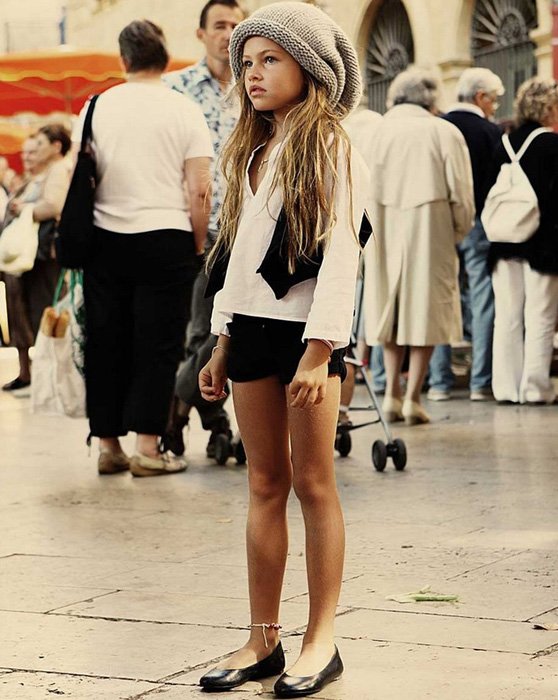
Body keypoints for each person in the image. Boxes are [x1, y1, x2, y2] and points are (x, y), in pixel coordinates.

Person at [197, 2, 368, 696]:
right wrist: (221, 341)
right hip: (250, 332)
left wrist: (320, 351)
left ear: (311, 67)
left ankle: (319, 640)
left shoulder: (332, 146)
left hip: (306, 338)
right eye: (246, 62)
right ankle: (261, 638)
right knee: (263, 483)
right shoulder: (253, 150)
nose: (253, 73)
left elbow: (343, 256)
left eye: (270, 59)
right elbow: (235, 257)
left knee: (314, 484)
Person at [76, 20, 212, 476]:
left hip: (105, 241)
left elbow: (81, 177)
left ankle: (108, 446)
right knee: (158, 345)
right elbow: (200, 189)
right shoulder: (184, 109)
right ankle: (148, 449)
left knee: (105, 342)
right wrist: (196, 244)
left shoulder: (95, 107)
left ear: (124, 59)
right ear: (164, 57)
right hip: (167, 239)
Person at [363, 68, 474, 425]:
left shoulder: (376, 131)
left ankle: (391, 393)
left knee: (390, 307)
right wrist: (459, 230)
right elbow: (461, 192)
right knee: (426, 308)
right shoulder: (444, 131)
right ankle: (413, 398)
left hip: (381, 225)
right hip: (431, 225)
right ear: (431, 98)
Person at [163, 0, 244, 459]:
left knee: (223, 330)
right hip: (195, 227)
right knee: (200, 332)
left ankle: (176, 410)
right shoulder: (176, 89)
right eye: (220, 25)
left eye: (235, 25)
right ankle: (216, 425)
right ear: (201, 34)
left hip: (245, 229)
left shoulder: (255, 85)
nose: (228, 33)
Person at [428, 67, 504, 402]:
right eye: (494, 100)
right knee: (483, 297)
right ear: (480, 96)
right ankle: (480, 382)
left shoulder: (437, 127)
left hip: (439, 225)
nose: (495, 107)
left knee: (439, 298)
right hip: (479, 223)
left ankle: (439, 382)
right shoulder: (491, 132)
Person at [486, 78, 558, 404]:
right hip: (543, 245)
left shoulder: (504, 143)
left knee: (507, 316)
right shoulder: (551, 145)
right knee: (540, 316)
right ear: (548, 107)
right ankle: (534, 388)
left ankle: (506, 387)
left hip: (503, 242)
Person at [1, 128, 71, 393]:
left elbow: (54, 206)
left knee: (46, 311)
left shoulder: (58, 171)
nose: (30, 154)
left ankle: (48, 378)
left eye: (38, 146)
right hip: (26, 258)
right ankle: (28, 373)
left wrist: (24, 209)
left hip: (43, 257)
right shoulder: (37, 176)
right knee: (21, 313)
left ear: (56, 146)